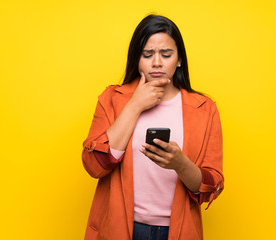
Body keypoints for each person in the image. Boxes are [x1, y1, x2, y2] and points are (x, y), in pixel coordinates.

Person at [82, 14, 224, 240]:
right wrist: (134, 106)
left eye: (166, 54)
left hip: (178, 231)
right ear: (136, 59)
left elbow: (210, 186)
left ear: (179, 60)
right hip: (121, 228)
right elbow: (94, 166)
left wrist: (180, 164)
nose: (157, 62)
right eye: (147, 54)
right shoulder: (112, 99)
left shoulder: (205, 109)